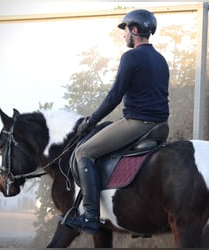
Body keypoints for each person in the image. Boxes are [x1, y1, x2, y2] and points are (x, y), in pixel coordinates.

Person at [64, 9, 170, 234]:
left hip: (137, 123)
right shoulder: (160, 59)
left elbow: (114, 96)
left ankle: (91, 216)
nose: (123, 36)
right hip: (160, 126)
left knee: (84, 152)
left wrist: (91, 121)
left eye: (125, 31)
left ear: (134, 30)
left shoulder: (131, 57)